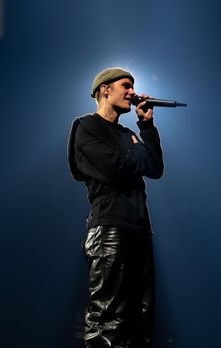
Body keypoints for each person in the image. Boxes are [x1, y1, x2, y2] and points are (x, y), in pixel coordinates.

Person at [68, 67, 164, 348]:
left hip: (140, 228)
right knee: (109, 319)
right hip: (110, 228)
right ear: (104, 90)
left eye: (134, 86)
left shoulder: (128, 133)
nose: (133, 91)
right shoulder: (86, 126)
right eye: (126, 85)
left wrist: (146, 127)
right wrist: (136, 153)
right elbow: (114, 169)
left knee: (140, 320)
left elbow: (155, 168)